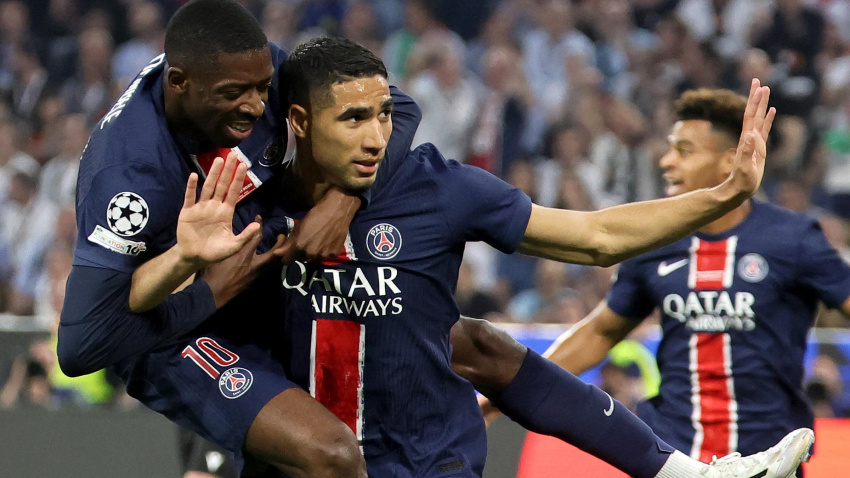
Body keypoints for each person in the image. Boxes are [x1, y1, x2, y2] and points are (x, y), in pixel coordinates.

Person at [192, 35, 810, 478]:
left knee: (479, 342)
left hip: (432, 461)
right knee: (475, 342)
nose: (376, 135)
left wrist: (725, 194)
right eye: (352, 118)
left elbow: (596, 238)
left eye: (383, 114)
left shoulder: (440, 188)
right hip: (301, 460)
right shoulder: (249, 204)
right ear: (298, 121)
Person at [57, 0, 421, 476]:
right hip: (181, 331)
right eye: (235, 93)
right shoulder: (130, 177)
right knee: (332, 455)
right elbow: (82, 346)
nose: (256, 105)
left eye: (262, 88)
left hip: (262, 275)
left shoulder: (250, 67)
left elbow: (402, 109)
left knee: (455, 339)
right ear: (179, 82)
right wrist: (206, 292)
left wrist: (345, 201)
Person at [482, 88, 849, 471]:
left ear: (730, 161)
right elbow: (599, 333)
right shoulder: (654, 240)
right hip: (673, 459)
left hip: (771, 460)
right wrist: (501, 397)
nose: (666, 161)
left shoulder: (794, 239)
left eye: (684, 151)